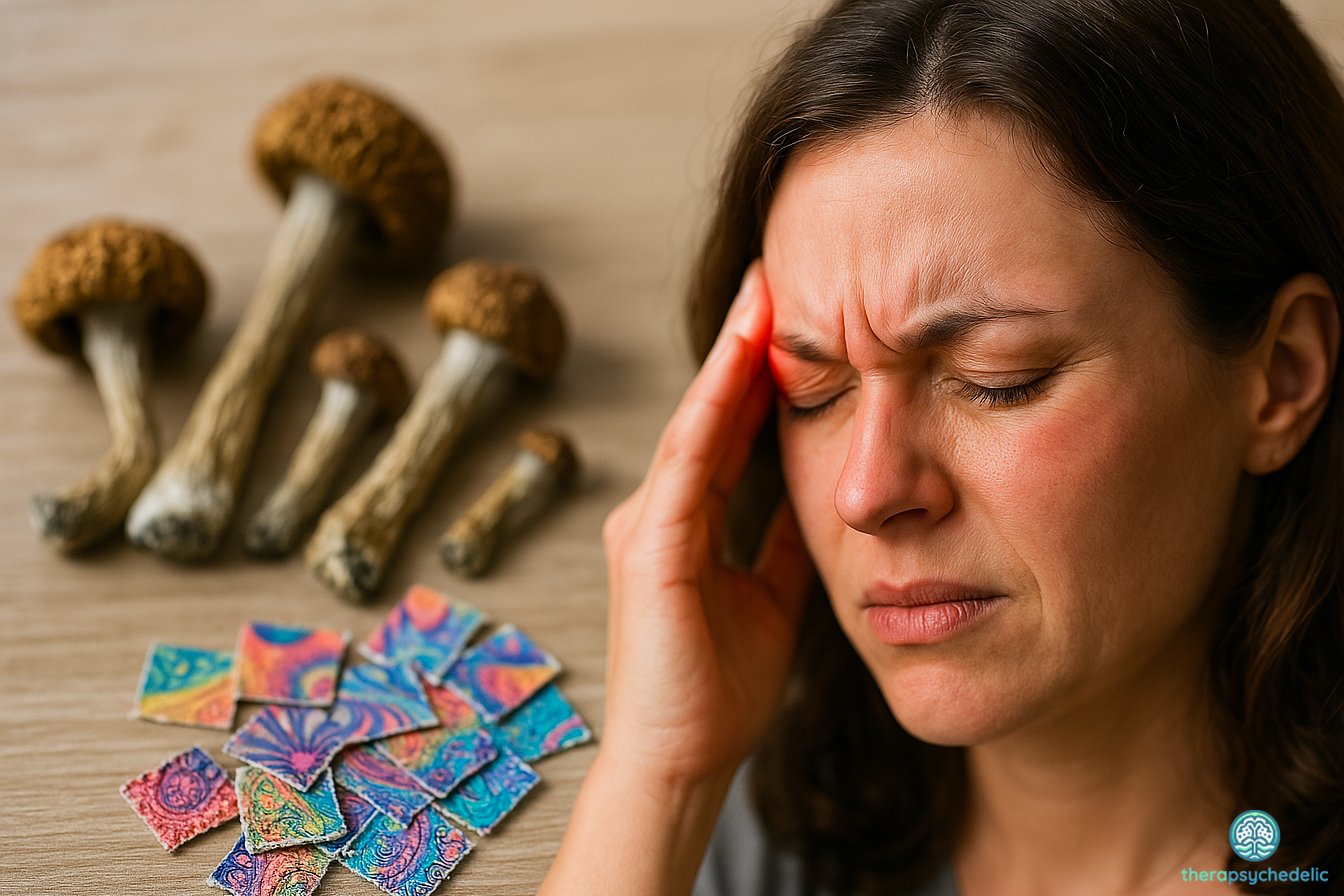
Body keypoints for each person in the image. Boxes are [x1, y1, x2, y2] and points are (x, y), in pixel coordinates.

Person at [540, 0, 1344, 893]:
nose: (865, 490)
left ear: (1281, 376)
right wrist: (660, 781)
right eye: (815, 391)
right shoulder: (750, 825)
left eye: (1000, 376)